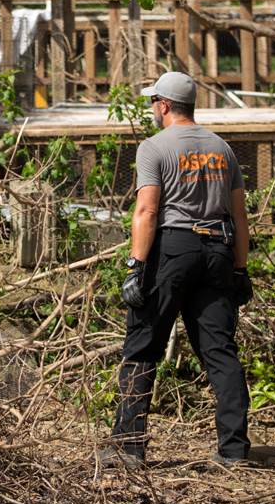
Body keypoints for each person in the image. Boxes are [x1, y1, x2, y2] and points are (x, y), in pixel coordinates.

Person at [99, 71, 253, 470]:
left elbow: (147, 210)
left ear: (164, 105)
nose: (152, 108)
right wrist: (240, 269)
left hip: (172, 251)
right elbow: (239, 216)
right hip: (218, 251)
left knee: (142, 348)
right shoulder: (223, 148)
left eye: (153, 102)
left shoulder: (154, 147)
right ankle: (234, 451)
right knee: (220, 353)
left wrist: (135, 267)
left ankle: (130, 448)